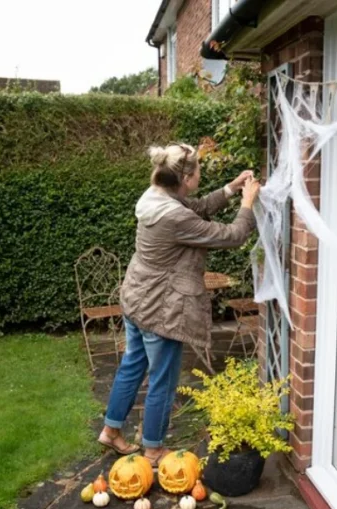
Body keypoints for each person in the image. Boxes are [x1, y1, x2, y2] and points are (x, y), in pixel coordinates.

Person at [97, 142, 260, 466]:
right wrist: (248, 204)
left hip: (137, 297)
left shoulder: (155, 198)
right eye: (198, 170)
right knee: (162, 379)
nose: (201, 174)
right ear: (185, 177)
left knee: (133, 366)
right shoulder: (173, 217)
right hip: (160, 308)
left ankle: (111, 431)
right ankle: (154, 449)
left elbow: (196, 207)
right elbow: (231, 235)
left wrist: (230, 189)